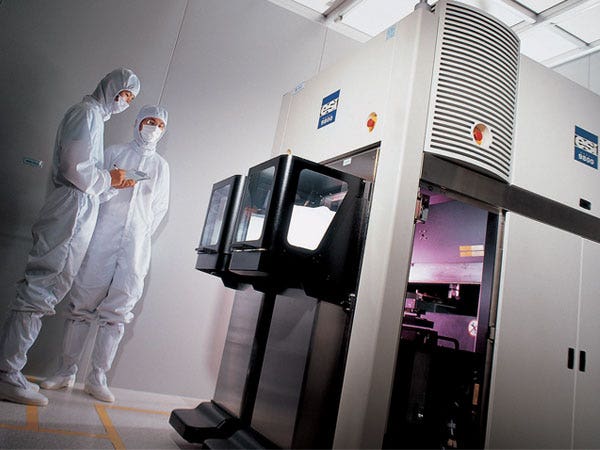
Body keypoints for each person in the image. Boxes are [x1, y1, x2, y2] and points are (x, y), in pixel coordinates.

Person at [0, 68, 141, 406]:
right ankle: (6, 373)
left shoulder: (95, 119)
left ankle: (9, 369)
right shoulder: (86, 114)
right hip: (69, 213)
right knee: (40, 289)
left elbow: (87, 178)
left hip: (76, 211)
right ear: (111, 87)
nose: (125, 102)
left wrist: (111, 184)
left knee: (45, 289)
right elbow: (74, 168)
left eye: (130, 98)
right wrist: (109, 178)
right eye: (125, 94)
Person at [40, 105, 170, 403]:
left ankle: (97, 377)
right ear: (138, 123)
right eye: (149, 121)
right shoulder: (114, 152)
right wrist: (112, 188)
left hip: (135, 245)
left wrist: (139, 234)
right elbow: (92, 188)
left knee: (119, 311)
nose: (154, 128)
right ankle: (65, 371)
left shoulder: (161, 166)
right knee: (81, 306)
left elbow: (159, 208)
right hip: (101, 237)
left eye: (160, 124)